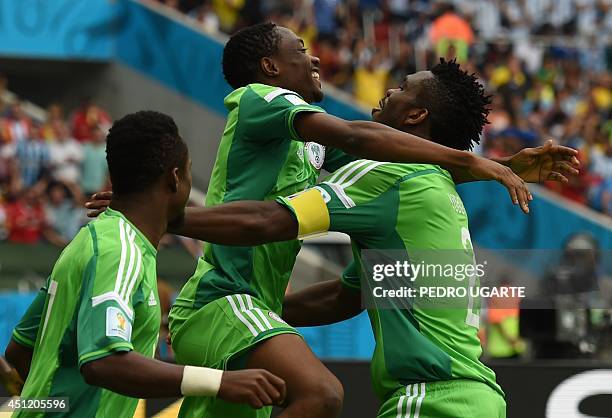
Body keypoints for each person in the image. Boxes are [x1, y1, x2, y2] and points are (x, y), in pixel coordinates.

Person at [87, 59, 579, 418]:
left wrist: (161, 217)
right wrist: (264, 311)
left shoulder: (384, 177)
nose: (388, 91)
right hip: (481, 399)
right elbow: (347, 296)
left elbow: (268, 221)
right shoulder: (435, 188)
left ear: (414, 117)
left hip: (431, 400)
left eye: (402, 88)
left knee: (321, 393)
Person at [4, 111, 286, 418]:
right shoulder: (120, 252)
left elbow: (20, 351)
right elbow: (105, 362)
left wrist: (51, 403)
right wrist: (218, 381)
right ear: (175, 177)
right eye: (189, 171)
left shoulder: (92, 241)